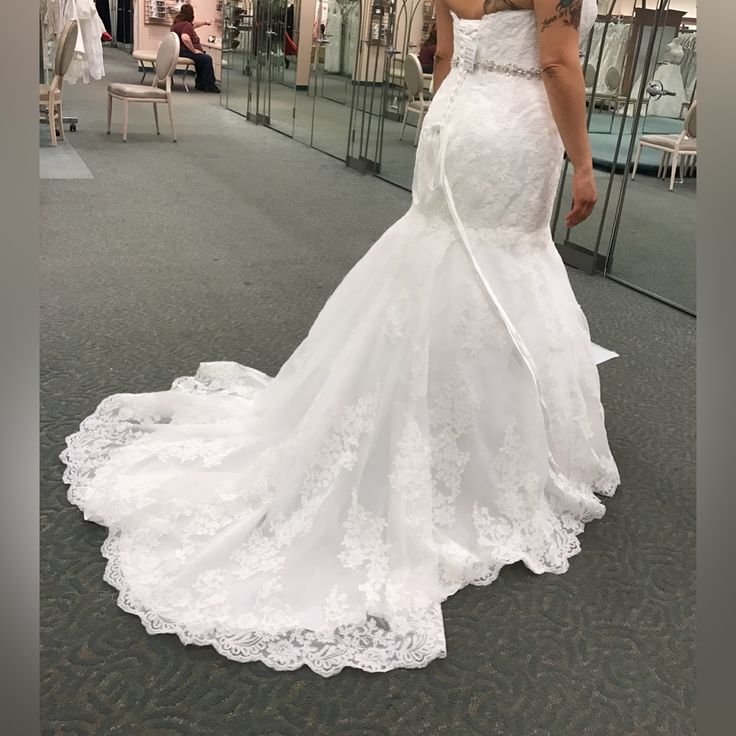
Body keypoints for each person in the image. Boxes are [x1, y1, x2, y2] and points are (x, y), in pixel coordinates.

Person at [62, 0, 618, 677]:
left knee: (439, 260)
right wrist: (584, 163)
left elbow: (442, 58)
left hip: (456, 121)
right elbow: (558, 62)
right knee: (505, 264)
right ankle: (484, 448)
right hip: (513, 128)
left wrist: (442, 135)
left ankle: (426, 420)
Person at [170, 3, 219, 93]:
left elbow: (194, 25)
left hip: (179, 50)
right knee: (207, 59)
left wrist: (205, 22)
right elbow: (185, 38)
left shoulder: (177, 24)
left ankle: (200, 84)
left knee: (201, 57)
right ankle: (209, 85)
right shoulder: (185, 25)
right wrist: (194, 50)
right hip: (185, 51)